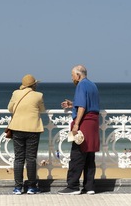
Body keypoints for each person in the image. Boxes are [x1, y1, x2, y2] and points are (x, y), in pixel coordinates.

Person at [58, 65, 100, 195]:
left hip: (84, 123)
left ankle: (73, 186)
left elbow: (82, 106)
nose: (72, 78)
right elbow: (88, 103)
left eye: (72, 75)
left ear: (78, 75)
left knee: (77, 154)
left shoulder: (81, 85)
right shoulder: (93, 85)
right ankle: (89, 187)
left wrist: (76, 124)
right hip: (93, 123)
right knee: (89, 155)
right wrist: (72, 104)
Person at [7, 74, 46, 195]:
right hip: (33, 129)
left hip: (17, 128)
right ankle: (31, 187)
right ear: (34, 84)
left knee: (18, 158)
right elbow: (43, 110)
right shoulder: (39, 95)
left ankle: (18, 187)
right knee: (31, 158)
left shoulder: (16, 93)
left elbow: (10, 108)